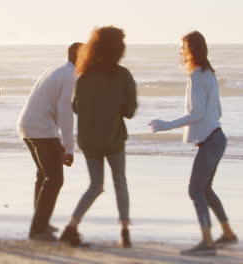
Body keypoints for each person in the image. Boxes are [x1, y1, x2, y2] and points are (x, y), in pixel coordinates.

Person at [149, 31, 238, 256]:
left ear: (192, 50)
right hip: (218, 138)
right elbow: (217, 111)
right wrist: (204, 127)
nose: (181, 51)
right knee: (205, 189)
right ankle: (227, 233)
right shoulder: (210, 73)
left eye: (183, 47)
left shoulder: (197, 75)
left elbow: (197, 112)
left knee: (195, 190)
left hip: (211, 141)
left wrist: (166, 125)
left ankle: (207, 242)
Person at [59, 26, 137, 248]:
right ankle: (124, 231)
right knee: (120, 182)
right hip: (113, 138)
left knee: (95, 185)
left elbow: (76, 107)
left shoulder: (84, 75)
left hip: (89, 139)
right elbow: (129, 111)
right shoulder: (122, 75)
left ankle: (71, 226)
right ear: (118, 49)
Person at [17, 43, 82, 241]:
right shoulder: (71, 75)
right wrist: (69, 148)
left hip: (27, 125)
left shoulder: (58, 70)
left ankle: (41, 224)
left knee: (44, 176)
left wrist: (60, 139)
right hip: (41, 129)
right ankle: (38, 230)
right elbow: (65, 112)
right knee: (54, 179)